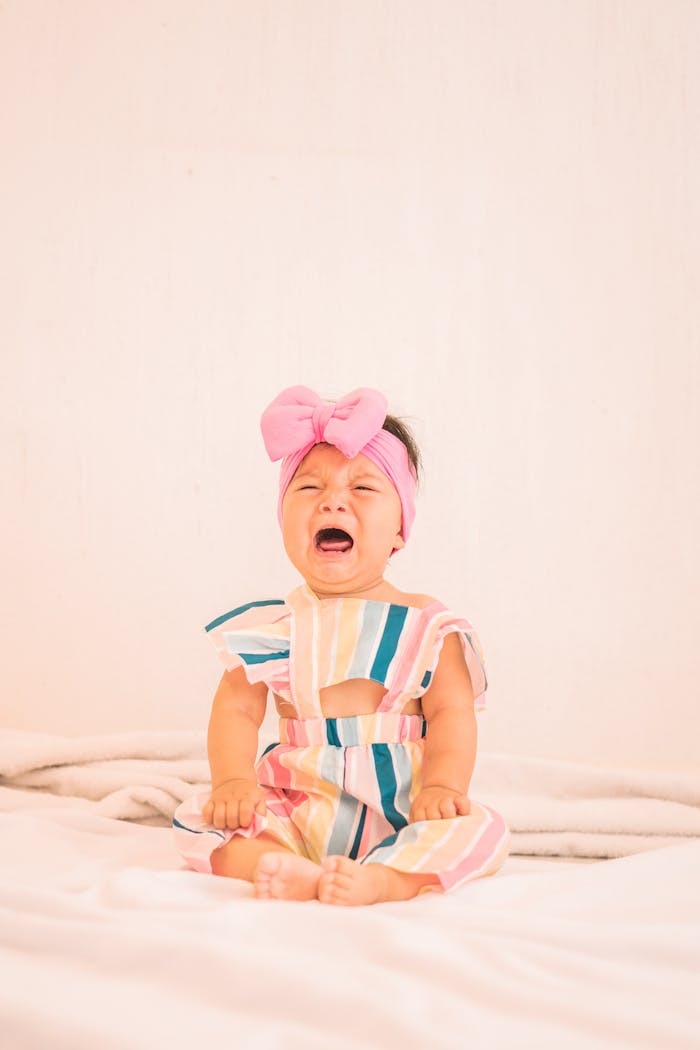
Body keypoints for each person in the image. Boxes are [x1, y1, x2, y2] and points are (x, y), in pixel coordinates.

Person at [173, 385, 510, 904]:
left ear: (400, 529)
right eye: (308, 488)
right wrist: (233, 783)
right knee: (197, 819)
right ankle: (278, 862)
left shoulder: (427, 625)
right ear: (284, 521)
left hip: (402, 809)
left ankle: (385, 879)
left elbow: (451, 713)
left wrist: (443, 787)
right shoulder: (270, 627)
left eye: (364, 489)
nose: (333, 499)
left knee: (481, 830)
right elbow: (237, 711)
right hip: (296, 802)